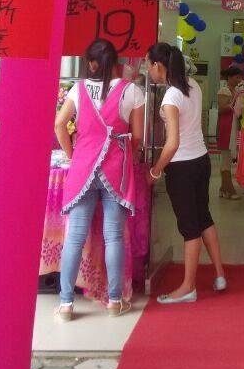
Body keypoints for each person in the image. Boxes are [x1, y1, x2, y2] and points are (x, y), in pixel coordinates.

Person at [53, 39, 144, 321]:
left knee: (75, 236)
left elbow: (59, 124)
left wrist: (73, 154)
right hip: (116, 169)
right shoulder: (132, 91)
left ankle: (66, 304)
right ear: (115, 62)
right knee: (113, 235)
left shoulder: (78, 90)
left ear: (91, 64)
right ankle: (115, 301)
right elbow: (137, 137)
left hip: (82, 168)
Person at [147, 42, 226, 303]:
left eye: (148, 64)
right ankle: (219, 274)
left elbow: (172, 143)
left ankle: (188, 287)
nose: (148, 70)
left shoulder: (171, 96)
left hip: (181, 166)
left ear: (158, 65)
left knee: (189, 227)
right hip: (201, 160)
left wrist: (155, 171)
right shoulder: (193, 86)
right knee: (204, 218)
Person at [216, 65, 244, 200]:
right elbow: (221, 109)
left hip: (232, 127)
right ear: (229, 77)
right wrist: (235, 103)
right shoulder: (224, 90)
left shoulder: (235, 91)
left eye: (240, 77)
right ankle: (229, 189)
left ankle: (223, 188)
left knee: (227, 158)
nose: (239, 80)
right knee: (226, 158)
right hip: (225, 127)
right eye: (237, 77)